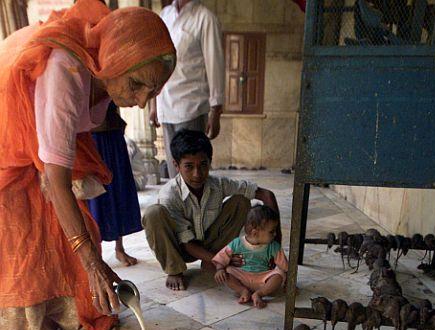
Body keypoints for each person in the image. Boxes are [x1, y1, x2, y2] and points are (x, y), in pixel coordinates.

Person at [0, 0, 176, 330]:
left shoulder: (100, 72)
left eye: (152, 92)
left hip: (36, 134)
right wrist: (93, 265)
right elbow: (55, 180)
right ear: (113, 61)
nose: (142, 101)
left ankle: (62, 311)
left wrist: (94, 261)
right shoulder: (65, 73)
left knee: (58, 223)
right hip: (9, 128)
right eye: (137, 84)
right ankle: (28, 323)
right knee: (22, 225)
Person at [142, 129, 280, 291]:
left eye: (203, 165)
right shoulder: (169, 195)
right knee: (153, 213)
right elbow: (187, 244)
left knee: (241, 201)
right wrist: (222, 260)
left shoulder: (217, 184)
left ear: (210, 161)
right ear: (176, 165)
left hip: (208, 243)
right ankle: (174, 270)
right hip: (179, 248)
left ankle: (209, 261)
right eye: (189, 166)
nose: (197, 174)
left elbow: (266, 194)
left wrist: (276, 241)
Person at [149, 0, 224, 178]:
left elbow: (215, 64)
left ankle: (197, 206)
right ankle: (177, 206)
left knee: (193, 172)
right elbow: (155, 61)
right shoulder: (165, 15)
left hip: (192, 107)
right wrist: (153, 103)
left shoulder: (205, 18)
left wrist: (216, 109)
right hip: (165, 104)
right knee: (174, 169)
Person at [88, 102, 142, 267]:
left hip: (112, 132)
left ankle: (120, 248)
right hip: (91, 135)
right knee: (93, 194)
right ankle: (95, 254)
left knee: (118, 189)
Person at [212, 205, 288, 309]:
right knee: (227, 272)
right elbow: (221, 257)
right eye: (271, 231)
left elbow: (285, 266)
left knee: (279, 275)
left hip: (263, 278)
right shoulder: (237, 243)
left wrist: (290, 281)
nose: (275, 234)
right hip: (242, 277)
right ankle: (243, 291)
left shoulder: (273, 246)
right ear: (255, 233)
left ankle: (259, 294)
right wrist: (219, 269)